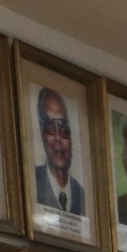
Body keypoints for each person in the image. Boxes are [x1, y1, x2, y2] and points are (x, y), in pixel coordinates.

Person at [31, 88, 86, 217]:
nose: (58, 137)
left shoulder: (83, 196)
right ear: (42, 132)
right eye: (50, 127)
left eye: (63, 128)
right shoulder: (31, 182)